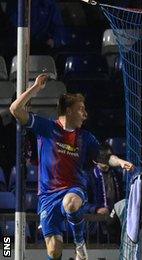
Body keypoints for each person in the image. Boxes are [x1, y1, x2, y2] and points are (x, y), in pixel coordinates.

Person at [9, 74, 128, 259]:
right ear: (69, 110)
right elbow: (15, 109)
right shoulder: (47, 128)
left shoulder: (86, 137)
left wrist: (119, 162)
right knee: (54, 251)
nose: (85, 114)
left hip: (74, 189)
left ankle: (80, 245)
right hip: (47, 196)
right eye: (81, 109)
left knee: (70, 204)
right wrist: (35, 88)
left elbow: (103, 157)